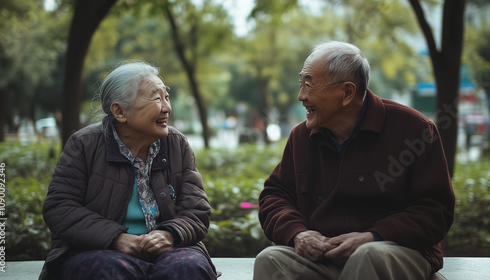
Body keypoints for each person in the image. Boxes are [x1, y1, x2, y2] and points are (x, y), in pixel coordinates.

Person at [253, 41, 455, 280]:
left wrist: (373, 236)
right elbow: (274, 196)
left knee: (367, 256)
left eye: (309, 84)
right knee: (270, 260)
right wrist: (299, 234)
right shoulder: (301, 137)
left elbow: (436, 211)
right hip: (324, 257)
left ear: (347, 92)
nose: (301, 96)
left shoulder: (415, 130)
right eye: (301, 83)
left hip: (394, 252)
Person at [39, 61, 217, 280]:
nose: (167, 108)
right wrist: (116, 238)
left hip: (169, 248)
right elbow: (60, 208)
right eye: (155, 98)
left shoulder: (176, 144)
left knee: (188, 268)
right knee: (108, 270)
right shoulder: (84, 145)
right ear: (120, 111)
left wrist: (169, 234)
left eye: (166, 97)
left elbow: (196, 209)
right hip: (99, 249)